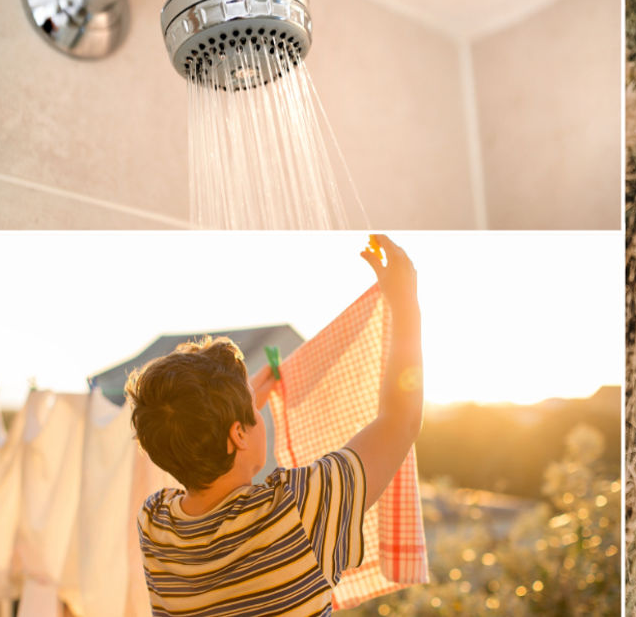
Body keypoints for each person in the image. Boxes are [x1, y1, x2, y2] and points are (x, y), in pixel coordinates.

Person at [126, 234, 421, 617]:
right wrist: (405, 301)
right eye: (253, 410)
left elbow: (190, 437)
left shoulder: (155, 524)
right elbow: (400, 420)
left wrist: (237, 408)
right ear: (237, 434)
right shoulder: (296, 510)